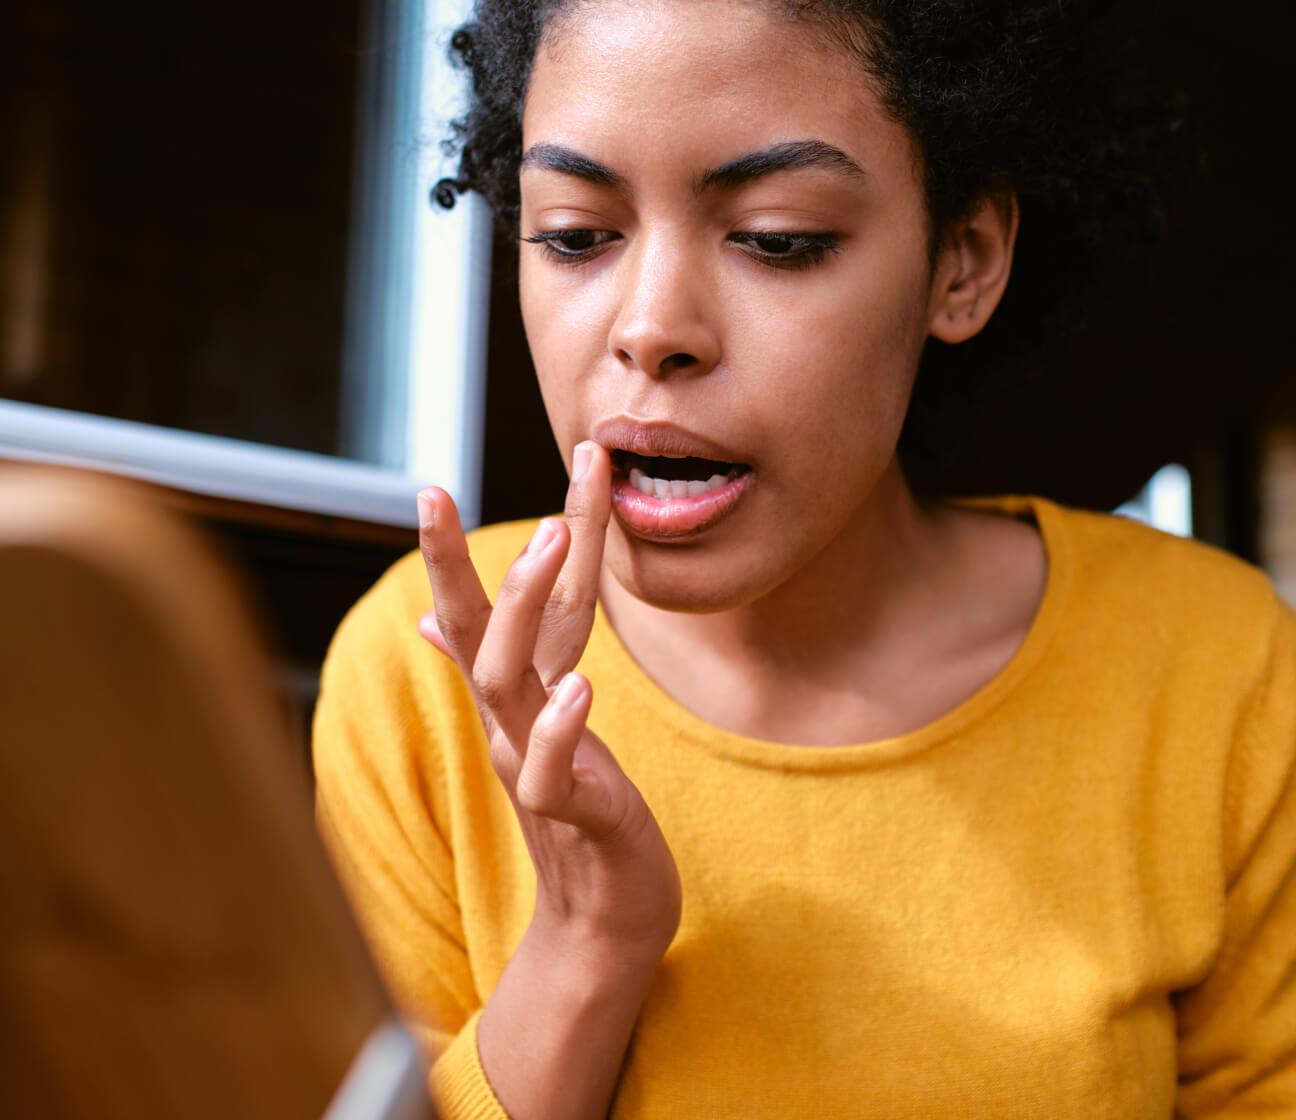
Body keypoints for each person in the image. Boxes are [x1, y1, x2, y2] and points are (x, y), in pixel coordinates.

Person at [311, 2, 1296, 1117]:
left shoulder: (1215, 669)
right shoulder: (422, 674)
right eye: (578, 234)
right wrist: (587, 938)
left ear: (961, 262)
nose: (652, 328)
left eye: (777, 237)